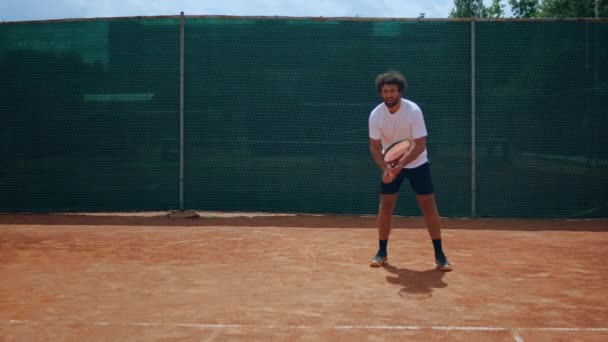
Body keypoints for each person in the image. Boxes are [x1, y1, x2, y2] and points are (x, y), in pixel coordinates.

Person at [368, 71, 451, 271]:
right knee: (386, 206)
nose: (389, 94)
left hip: (417, 163)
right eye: (385, 91)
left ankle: (440, 255)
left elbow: (420, 144)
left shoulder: (413, 111)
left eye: (393, 91)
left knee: (428, 207)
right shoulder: (376, 115)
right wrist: (386, 169)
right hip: (392, 166)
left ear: (399, 92)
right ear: (381, 93)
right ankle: (382, 252)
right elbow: (374, 147)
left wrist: (400, 165)